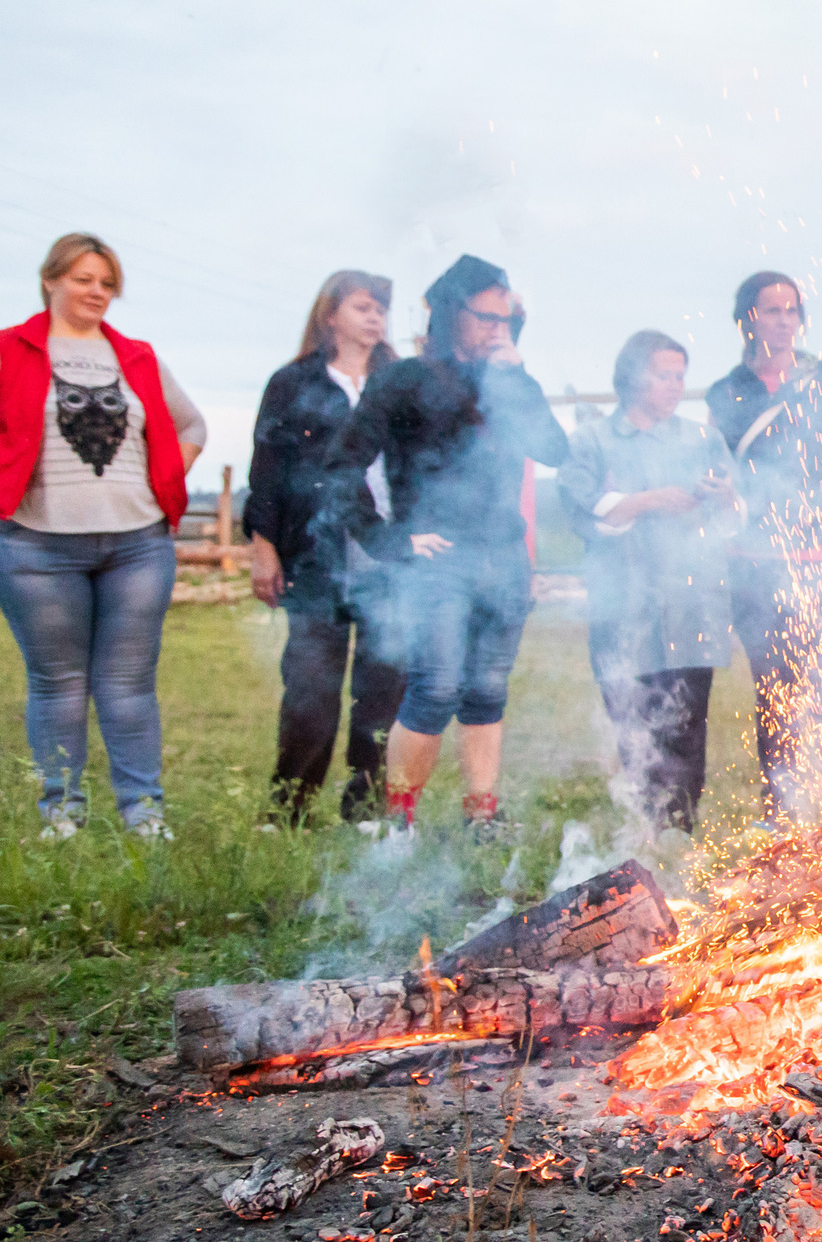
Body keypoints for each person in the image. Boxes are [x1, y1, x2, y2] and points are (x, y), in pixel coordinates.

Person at [335, 254, 569, 835]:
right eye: (486, 318)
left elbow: (555, 450)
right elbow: (340, 468)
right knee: (435, 686)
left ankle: (481, 811)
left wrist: (516, 377)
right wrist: (389, 540)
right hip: (437, 561)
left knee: (488, 686)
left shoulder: (509, 381)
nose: (498, 330)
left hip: (505, 556)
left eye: (507, 320)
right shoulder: (403, 379)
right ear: (449, 314)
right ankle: (399, 821)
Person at [0, 234, 204, 839]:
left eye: (107, 283)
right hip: (36, 546)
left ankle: (144, 814)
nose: (97, 292)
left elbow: (191, 422)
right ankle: (62, 813)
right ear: (50, 279)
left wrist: (165, 472)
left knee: (129, 685)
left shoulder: (137, 357)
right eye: (84, 279)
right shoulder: (10, 351)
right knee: (58, 684)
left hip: (137, 545)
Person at [706, 270, 822, 819]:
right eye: (771, 310)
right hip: (755, 563)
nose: (783, 321)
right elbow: (716, 468)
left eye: (792, 310)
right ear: (747, 318)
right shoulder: (724, 393)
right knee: (774, 690)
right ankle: (781, 806)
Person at [244, 271, 406, 827]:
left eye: (381, 309)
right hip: (317, 555)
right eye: (362, 306)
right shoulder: (292, 384)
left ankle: (365, 804)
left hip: (389, 558)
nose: (375, 317)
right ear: (329, 314)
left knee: (384, 690)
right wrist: (263, 547)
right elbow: (267, 471)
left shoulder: (399, 382)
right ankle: (287, 809)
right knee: (311, 691)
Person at [558, 330, 736, 834]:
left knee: (685, 725)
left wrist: (724, 497)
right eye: (664, 375)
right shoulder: (593, 440)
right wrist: (649, 499)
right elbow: (579, 510)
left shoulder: (702, 439)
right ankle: (642, 830)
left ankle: (677, 832)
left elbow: (737, 513)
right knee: (633, 725)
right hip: (624, 606)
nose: (676, 386)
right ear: (633, 376)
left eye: (680, 376)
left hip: (693, 603)